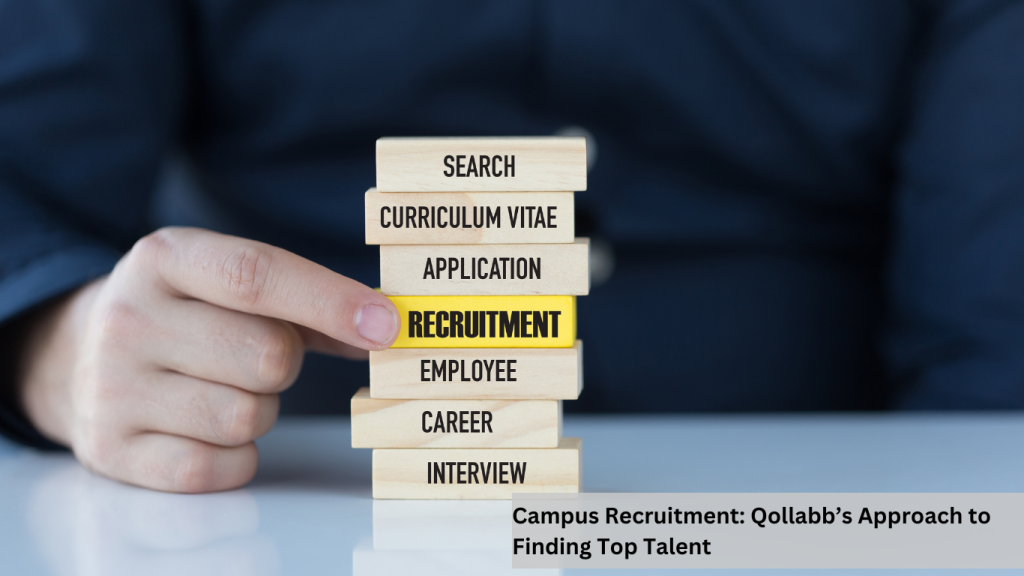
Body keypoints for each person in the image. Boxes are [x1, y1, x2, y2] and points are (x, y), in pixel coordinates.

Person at [2, 1, 1023, 493]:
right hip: (287, 486)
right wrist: (55, 343)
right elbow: (19, 178)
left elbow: (998, 352)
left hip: (818, 501)